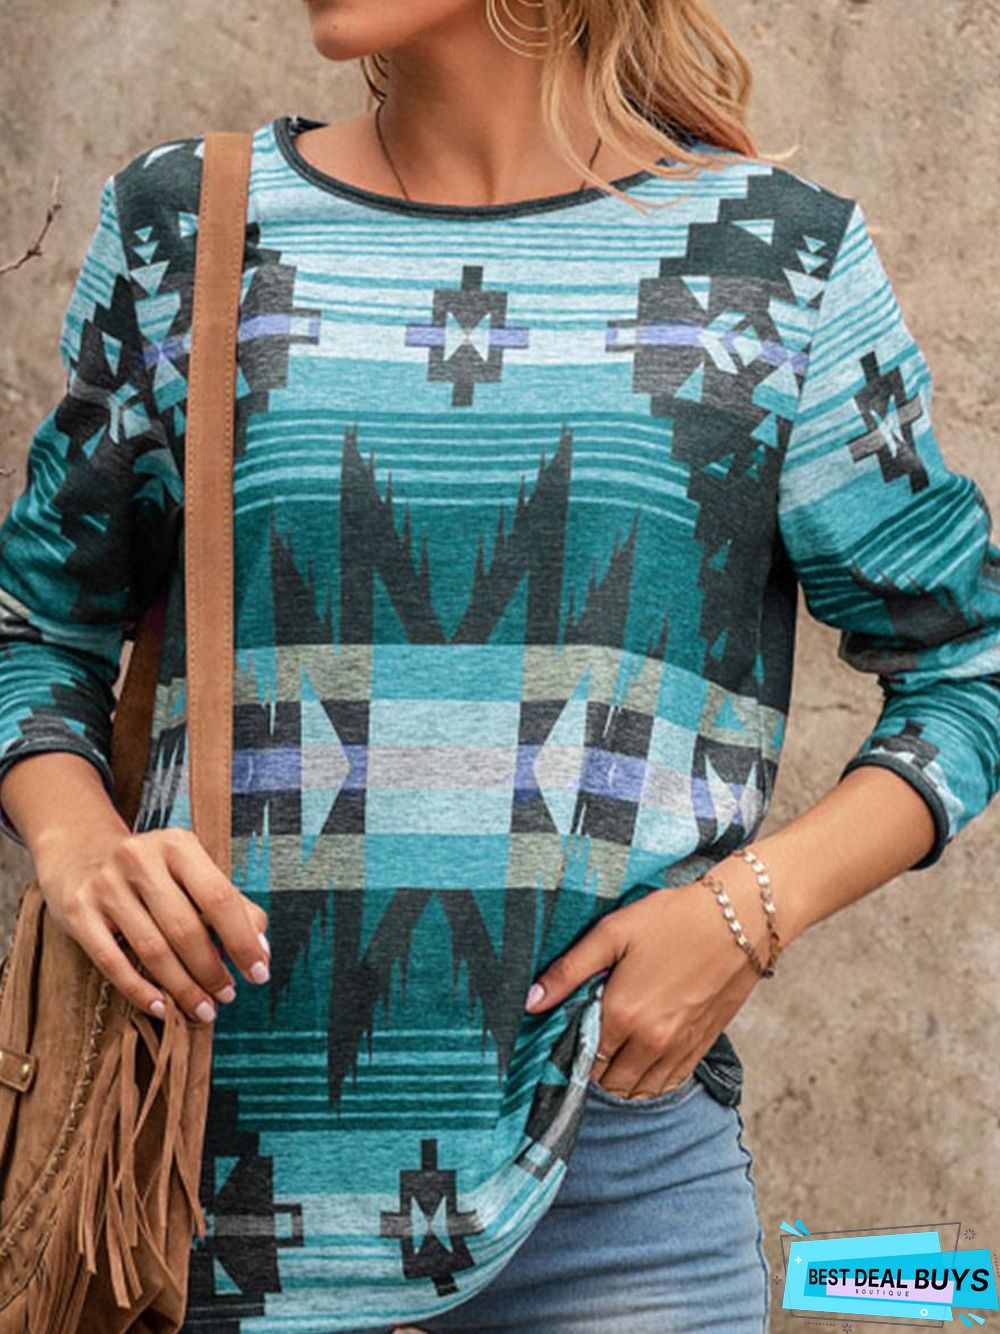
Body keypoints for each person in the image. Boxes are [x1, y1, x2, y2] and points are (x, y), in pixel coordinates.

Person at [0, 1, 998, 1330]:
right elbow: (37, 625)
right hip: (199, 1182)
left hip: (617, 1179)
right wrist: (77, 846)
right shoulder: (184, 226)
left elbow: (969, 660)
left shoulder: (774, 263)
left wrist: (748, 911)